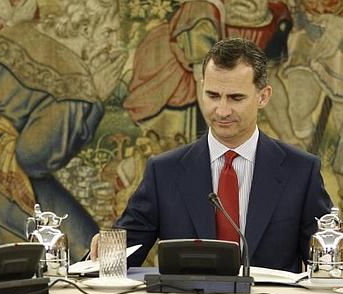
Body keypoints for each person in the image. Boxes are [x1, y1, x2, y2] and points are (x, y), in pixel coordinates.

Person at [90, 38, 332, 273]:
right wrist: (103, 254)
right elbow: (118, 257)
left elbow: (327, 264)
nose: (222, 110)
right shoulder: (164, 171)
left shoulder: (301, 170)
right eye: (213, 96)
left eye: (236, 98)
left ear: (263, 96)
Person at [0, 0, 127, 260]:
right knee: (87, 250)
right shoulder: (75, 82)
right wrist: (95, 99)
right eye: (108, 32)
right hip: (4, 181)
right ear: (84, 29)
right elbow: (35, 157)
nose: (114, 43)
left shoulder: (20, 34)